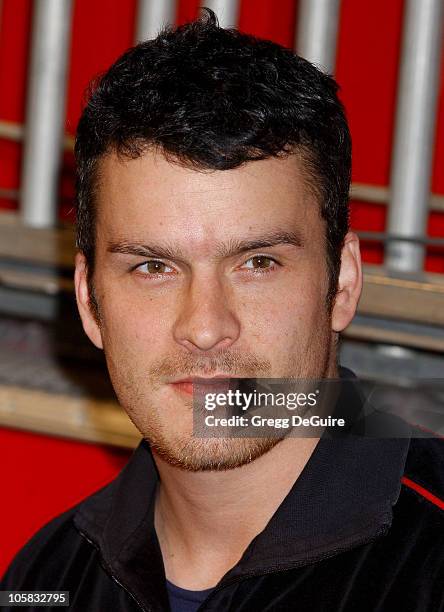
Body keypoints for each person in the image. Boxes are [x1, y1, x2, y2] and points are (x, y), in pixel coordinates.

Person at [1, 10, 443, 612]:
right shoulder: (48, 577)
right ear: (89, 301)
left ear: (340, 282)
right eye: (153, 267)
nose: (206, 328)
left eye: (257, 263)